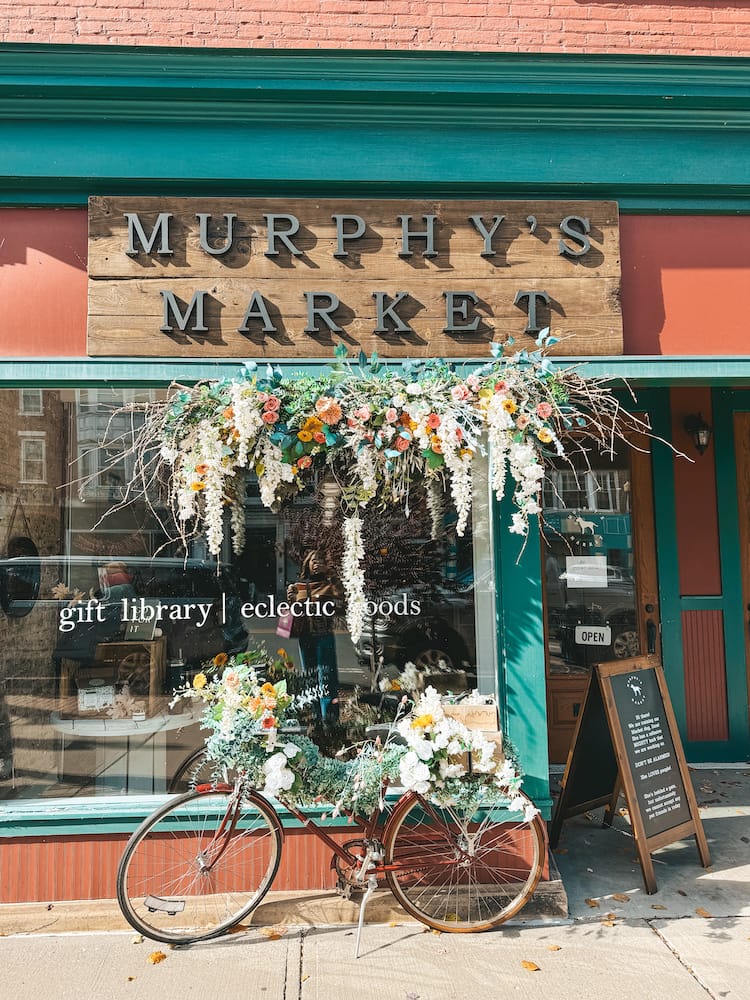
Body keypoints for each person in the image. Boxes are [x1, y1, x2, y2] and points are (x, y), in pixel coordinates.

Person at [287, 549, 342, 725]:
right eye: (313, 560)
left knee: (326, 677)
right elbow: (292, 613)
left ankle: (330, 719)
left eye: (320, 560)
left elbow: (342, 604)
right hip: (305, 636)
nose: (316, 563)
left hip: (324, 635)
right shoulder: (298, 586)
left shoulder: (330, 585)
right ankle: (316, 717)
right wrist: (291, 600)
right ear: (307, 564)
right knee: (310, 676)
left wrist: (334, 579)